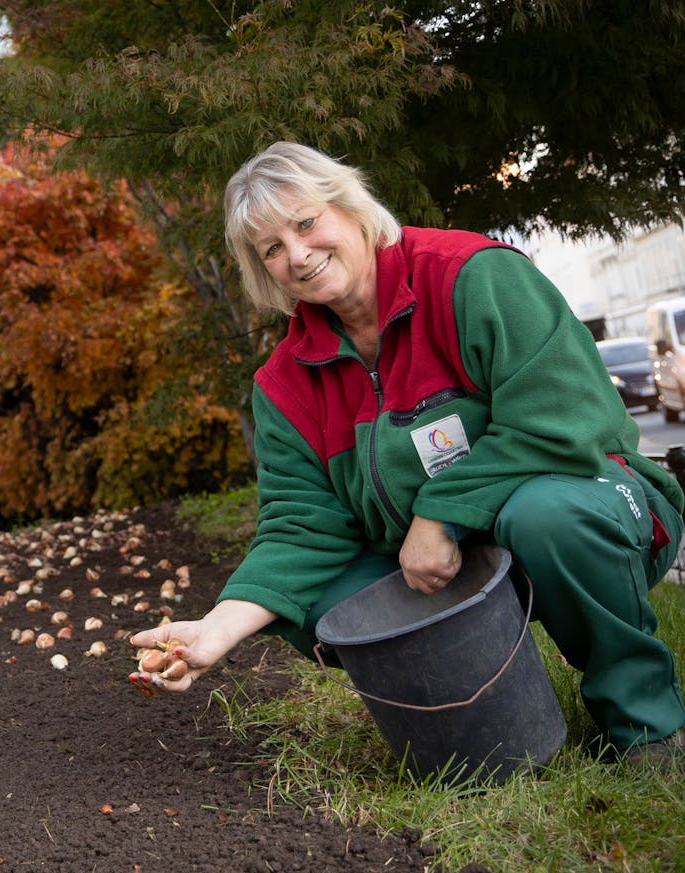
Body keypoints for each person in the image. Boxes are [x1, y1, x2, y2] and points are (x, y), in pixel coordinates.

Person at [131, 141, 685, 766]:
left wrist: (439, 515)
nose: (298, 254)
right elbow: (300, 527)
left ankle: (645, 727)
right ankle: (481, 739)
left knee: (545, 515)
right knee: (329, 601)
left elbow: (564, 417)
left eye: (306, 222)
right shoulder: (285, 384)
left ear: (350, 207)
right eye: (272, 249)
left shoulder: (471, 275)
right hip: (444, 570)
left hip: (591, 504)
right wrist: (218, 629)